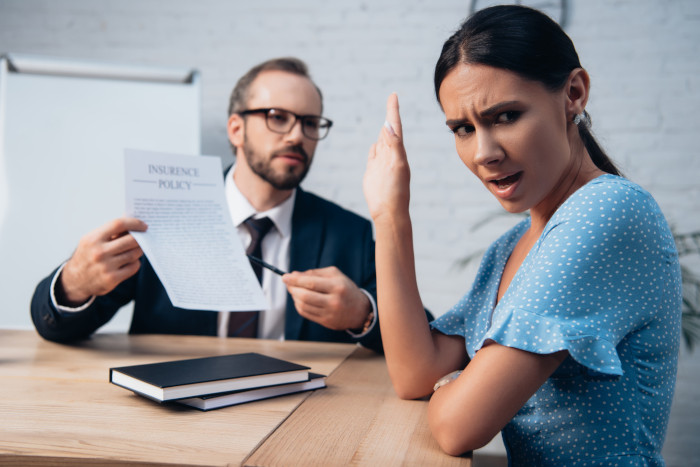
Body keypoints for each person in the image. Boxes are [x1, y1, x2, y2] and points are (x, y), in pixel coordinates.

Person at [363, 5, 681, 464]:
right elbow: (418, 372)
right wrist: (391, 215)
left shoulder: (609, 211)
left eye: (506, 116)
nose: (483, 153)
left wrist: (458, 388)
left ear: (573, 92)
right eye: (463, 129)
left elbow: (458, 426)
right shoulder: (511, 247)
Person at [31, 57, 385, 352]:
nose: (297, 135)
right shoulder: (162, 216)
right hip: (174, 415)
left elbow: (417, 332)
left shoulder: (350, 234)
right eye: (277, 116)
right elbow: (57, 329)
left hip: (298, 416)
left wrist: (363, 314)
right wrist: (75, 283)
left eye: (310, 123)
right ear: (235, 129)